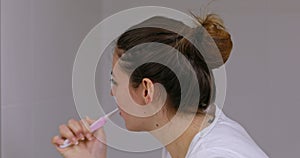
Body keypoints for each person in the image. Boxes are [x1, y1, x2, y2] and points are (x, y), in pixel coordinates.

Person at [52, 13, 269, 158]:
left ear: (147, 91)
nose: (111, 92)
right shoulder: (185, 135)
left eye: (115, 82)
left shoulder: (215, 154)